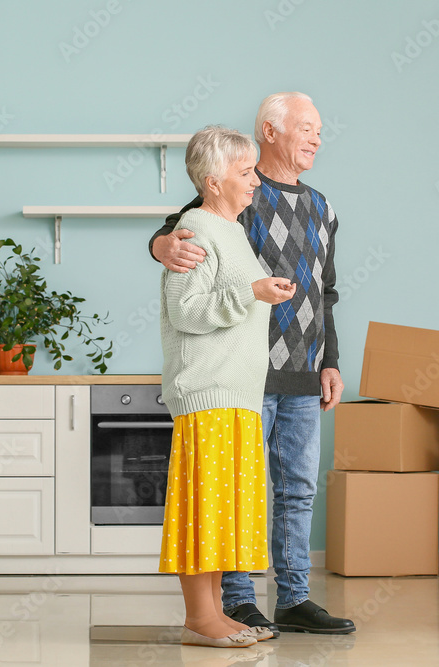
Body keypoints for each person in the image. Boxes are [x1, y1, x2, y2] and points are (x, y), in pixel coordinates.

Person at [151, 92, 354, 636]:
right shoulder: (236, 197)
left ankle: (293, 598)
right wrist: (160, 245)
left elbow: (324, 293)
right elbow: (178, 237)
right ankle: (237, 600)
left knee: (293, 489)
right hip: (240, 374)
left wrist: (329, 360)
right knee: (236, 491)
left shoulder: (321, 207)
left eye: (319, 129)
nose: (315, 137)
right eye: (305, 127)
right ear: (269, 130)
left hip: (301, 371)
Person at [159, 125, 297, 648]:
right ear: (213, 181)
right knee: (203, 506)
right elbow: (187, 311)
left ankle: (214, 612)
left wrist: (256, 292)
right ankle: (199, 617)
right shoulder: (194, 228)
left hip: (236, 393)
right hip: (208, 390)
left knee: (221, 508)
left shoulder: (230, 230)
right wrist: (253, 292)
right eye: (245, 172)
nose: (256, 181)